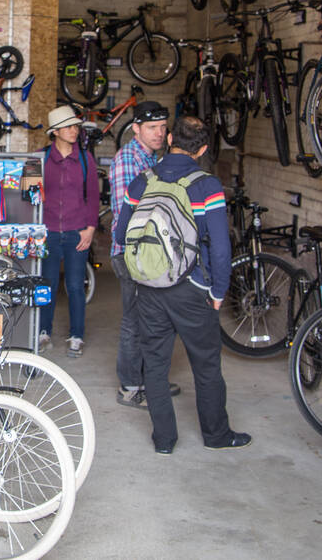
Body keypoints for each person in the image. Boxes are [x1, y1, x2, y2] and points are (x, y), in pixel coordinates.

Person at [112, 116, 249, 455]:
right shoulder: (207, 185)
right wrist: (219, 291)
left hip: (148, 288)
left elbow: (119, 235)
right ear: (202, 149)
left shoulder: (142, 181)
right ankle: (216, 435)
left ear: (170, 137)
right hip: (192, 288)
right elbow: (220, 246)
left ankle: (164, 440)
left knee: (154, 365)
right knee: (206, 364)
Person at [110, 100, 181, 407]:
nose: (158, 133)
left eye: (163, 127)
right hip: (131, 252)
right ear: (136, 128)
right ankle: (129, 386)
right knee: (134, 322)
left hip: (150, 253)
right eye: (151, 127)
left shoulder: (153, 159)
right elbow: (132, 215)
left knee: (152, 319)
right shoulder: (129, 159)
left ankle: (149, 380)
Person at [39, 104, 99, 358]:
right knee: (47, 285)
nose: (75, 130)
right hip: (48, 232)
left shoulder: (85, 159)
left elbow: (94, 196)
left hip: (77, 231)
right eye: (69, 126)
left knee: (75, 286)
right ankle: (43, 331)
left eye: (76, 126)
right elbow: (32, 196)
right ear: (56, 132)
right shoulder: (41, 159)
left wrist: (91, 229)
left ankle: (77, 335)